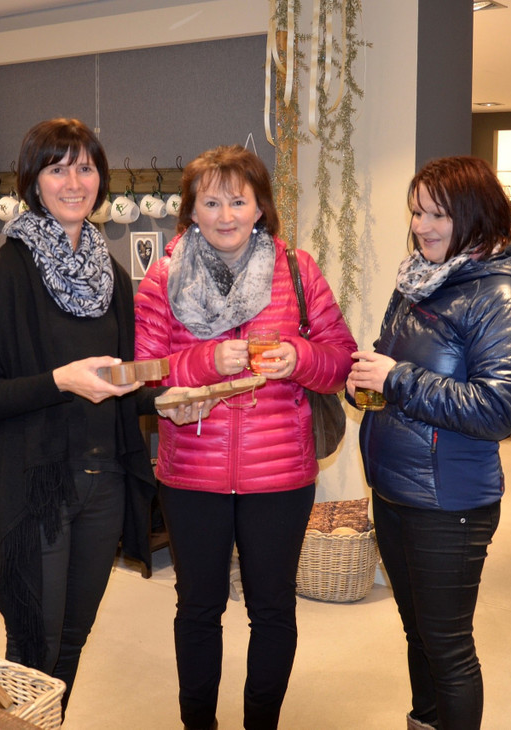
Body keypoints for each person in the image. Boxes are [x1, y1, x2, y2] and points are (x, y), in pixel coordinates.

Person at [0, 118, 202, 716]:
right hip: (34, 489)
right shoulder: (0, 279)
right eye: (57, 168)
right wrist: (58, 381)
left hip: (103, 484)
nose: (74, 182)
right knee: (34, 644)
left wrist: (165, 400)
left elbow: (118, 383)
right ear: (32, 181)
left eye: (86, 168)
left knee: (72, 638)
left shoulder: (110, 276)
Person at [134, 145, 357, 730]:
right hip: (192, 474)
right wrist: (205, 362)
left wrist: (300, 357)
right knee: (198, 609)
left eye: (238, 201)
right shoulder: (164, 275)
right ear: (191, 211)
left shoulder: (298, 270)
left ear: (260, 207)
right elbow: (144, 374)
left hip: (279, 476)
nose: (225, 215)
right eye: (211, 202)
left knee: (273, 609)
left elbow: (341, 361)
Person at [347, 156, 511, 730]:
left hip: (450, 501)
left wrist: (397, 380)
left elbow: (496, 410)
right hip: (394, 488)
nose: (421, 226)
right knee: (419, 634)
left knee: (448, 648)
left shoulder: (502, 295)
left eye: (437, 214)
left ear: (475, 215)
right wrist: (368, 382)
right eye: (416, 213)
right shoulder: (419, 280)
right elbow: (394, 365)